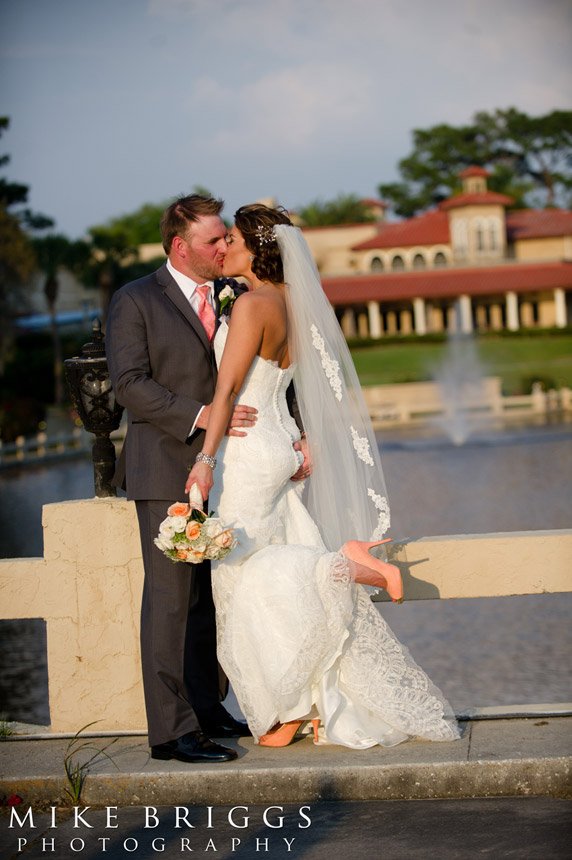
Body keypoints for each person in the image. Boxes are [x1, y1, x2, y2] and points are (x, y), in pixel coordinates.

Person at [186, 204, 460, 749]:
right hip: (284, 447)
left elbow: (226, 391)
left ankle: (343, 565)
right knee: (273, 565)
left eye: (234, 238)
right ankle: (303, 708)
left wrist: (205, 461)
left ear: (258, 248)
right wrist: (303, 438)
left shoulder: (251, 307)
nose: (227, 247)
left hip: (249, 451)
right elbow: (301, 385)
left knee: (242, 576)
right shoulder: (294, 303)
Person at [106, 195, 263, 764]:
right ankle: (171, 733)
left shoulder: (237, 295)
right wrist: (202, 415)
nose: (224, 247)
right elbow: (128, 384)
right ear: (180, 246)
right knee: (170, 603)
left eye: (226, 239)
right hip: (165, 466)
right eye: (214, 240)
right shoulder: (135, 300)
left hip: (232, 468)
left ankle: (208, 707)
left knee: (205, 599)